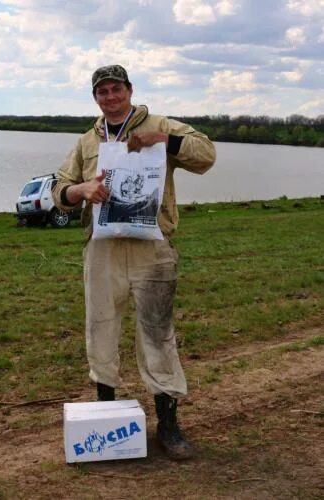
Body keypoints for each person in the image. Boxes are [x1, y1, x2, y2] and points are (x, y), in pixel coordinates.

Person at [53, 64, 216, 460]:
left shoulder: (161, 124)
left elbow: (206, 156)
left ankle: (169, 425)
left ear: (129, 90)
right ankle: (108, 419)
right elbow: (59, 188)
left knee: (157, 334)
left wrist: (166, 140)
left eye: (116, 89)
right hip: (103, 249)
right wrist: (80, 189)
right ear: (96, 97)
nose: (110, 97)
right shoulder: (86, 141)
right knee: (100, 329)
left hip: (153, 250)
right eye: (102, 91)